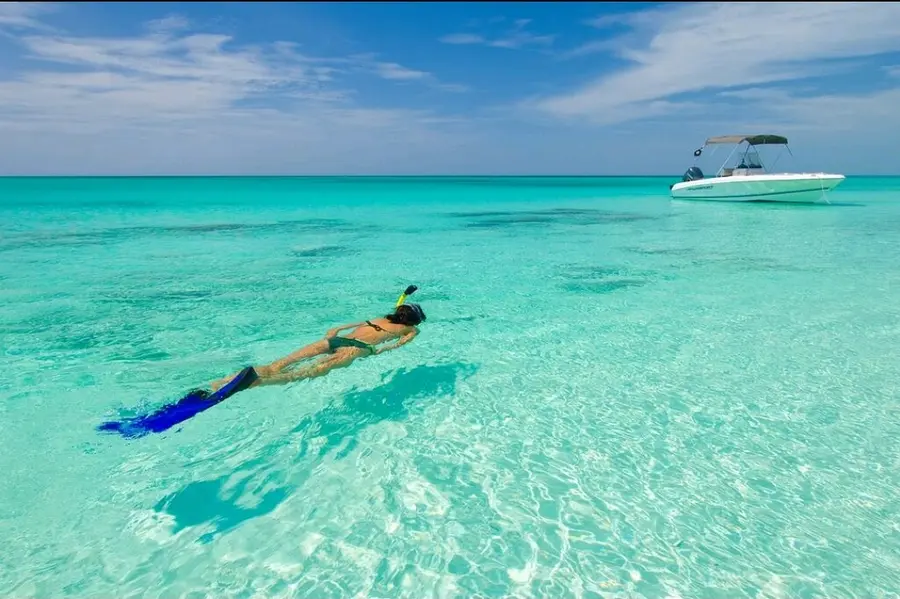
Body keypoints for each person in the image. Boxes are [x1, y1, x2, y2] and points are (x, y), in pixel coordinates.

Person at [210, 301, 426, 391]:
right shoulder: (411, 330)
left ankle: (223, 381)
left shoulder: (380, 317)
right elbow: (397, 345)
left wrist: (337, 330)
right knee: (306, 373)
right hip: (354, 348)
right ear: (413, 321)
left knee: (280, 363)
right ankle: (254, 383)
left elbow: (353, 324)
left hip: (334, 340)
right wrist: (377, 351)